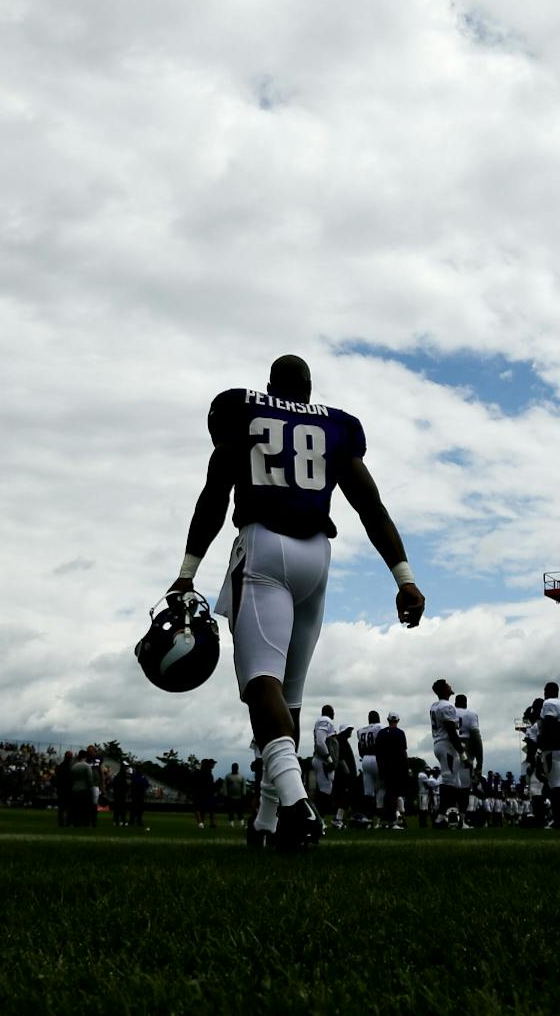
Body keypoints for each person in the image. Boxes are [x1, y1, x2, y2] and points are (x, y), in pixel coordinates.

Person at [167, 355, 425, 854]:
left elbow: (214, 495)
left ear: (271, 386)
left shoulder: (240, 410)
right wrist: (405, 578)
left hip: (263, 549)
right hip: (318, 558)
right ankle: (267, 821)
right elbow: (370, 505)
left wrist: (186, 574)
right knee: (291, 698)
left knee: (260, 682)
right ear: (308, 391)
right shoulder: (336, 426)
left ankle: (296, 804)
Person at [535, 683, 560, 827]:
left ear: (547, 691)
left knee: (555, 787)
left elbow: (549, 724)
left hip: (554, 749)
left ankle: (558, 820)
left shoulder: (548, 703)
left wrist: (541, 745)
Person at [429, 681, 466, 826]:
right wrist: (462, 753)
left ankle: (455, 817)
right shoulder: (447, 706)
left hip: (439, 743)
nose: (451, 686)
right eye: (448, 685)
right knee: (449, 780)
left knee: (454, 781)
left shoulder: (435, 706)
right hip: (447, 745)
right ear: (444, 690)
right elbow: (451, 731)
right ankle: (443, 816)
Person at [374, 712, 409, 829]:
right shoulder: (400, 733)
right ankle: (391, 820)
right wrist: (406, 767)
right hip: (397, 767)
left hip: (384, 766)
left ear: (388, 720)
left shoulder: (381, 733)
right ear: (398, 720)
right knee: (393, 794)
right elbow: (404, 752)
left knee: (386, 793)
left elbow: (378, 753)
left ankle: (384, 819)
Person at [310, 705, 339, 825]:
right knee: (325, 790)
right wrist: (329, 759)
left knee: (325, 790)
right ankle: (318, 819)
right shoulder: (325, 721)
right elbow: (321, 742)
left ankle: (318, 818)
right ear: (330, 712)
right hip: (323, 760)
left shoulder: (323, 721)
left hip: (321, 759)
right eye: (333, 711)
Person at [356, 711, 383, 823]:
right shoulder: (380, 727)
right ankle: (379, 815)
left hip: (365, 759)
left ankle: (367, 816)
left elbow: (359, 746)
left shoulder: (361, 730)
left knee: (368, 791)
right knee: (381, 787)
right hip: (377, 758)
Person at [456, 693, 483, 778]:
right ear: (466, 703)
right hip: (466, 749)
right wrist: (480, 762)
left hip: (449, 748)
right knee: (464, 785)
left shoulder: (450, 712)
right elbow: (477, 738)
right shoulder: (470, 713)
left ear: (455, 703)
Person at [194, 758, 217, 829]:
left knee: (199, 809)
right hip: (208, 793)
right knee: (210, 809)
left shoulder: (199, 772)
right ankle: (211, 823)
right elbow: (210, 785)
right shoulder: (209, 773)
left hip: (200, 793)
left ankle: (201, 823)